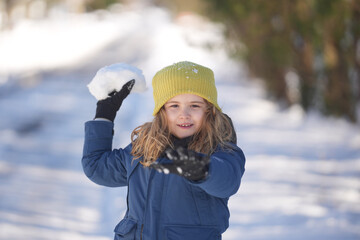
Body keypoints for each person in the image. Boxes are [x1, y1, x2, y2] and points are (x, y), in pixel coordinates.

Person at [82, 61, 246, 240]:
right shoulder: (146, 148)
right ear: (162, 111)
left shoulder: (220, 150)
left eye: (195, 105)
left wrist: (199, 168)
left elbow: (227, 180)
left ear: (210, 110)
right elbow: (97, 167)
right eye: (174, 106)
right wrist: (105, 114)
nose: (184, 114)